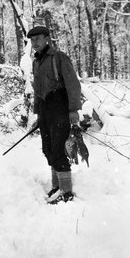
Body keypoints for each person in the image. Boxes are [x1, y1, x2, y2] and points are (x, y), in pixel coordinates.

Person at [27, 25, 82, 204]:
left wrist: (73, 109)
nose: (34, 42)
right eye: (32, 39)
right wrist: (38, 113)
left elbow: (73, 85)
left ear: (47, 38)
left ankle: (66, 192)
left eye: (38, 38)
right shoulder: (35, 61)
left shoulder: (59, 58)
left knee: (58, 150)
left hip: (59, 109)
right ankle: (56, 187)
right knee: (48, 149)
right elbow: (37, 90)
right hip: (45, 111)